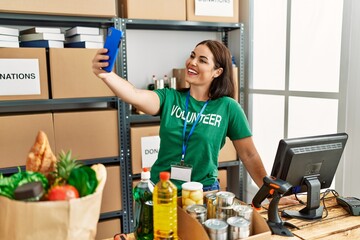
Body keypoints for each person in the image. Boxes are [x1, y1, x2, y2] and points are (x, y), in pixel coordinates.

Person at [92, 39, 298, 205]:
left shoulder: (228, 107)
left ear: (217, 72)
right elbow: (134, 94)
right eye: (192, 56)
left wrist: (270, 192)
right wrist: (106, 75)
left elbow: (249, 154)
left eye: (202, 60)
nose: (192, 62)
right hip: (162, 189)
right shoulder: (170, 98)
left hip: (203, 193)